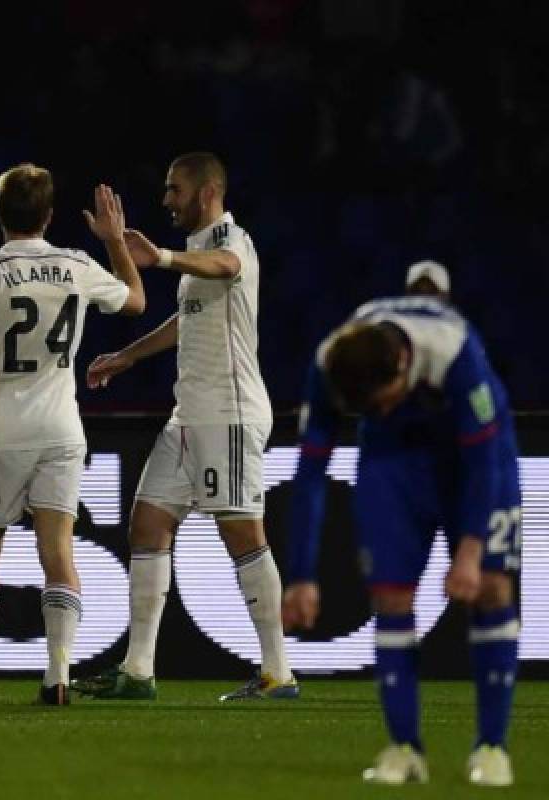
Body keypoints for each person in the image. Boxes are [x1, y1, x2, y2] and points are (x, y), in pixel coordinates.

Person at [73, 152, 296, 702]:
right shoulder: (198, 251)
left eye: (175, 189)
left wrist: (164, 257)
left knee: (242, 533)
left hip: (230, 411)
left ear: (207, 191)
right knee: (147, 525)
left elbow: (229, 267)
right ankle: (139, 671)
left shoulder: (230, 239)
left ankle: (277, 673)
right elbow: (187, 318)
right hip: (189, 415)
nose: (166, 199)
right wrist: (127, 356)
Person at [0, 165, 144, 705]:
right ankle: (58, 675)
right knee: (58, 551)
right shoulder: (75, 264)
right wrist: (116, 242)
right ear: (49, 215)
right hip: (61, 430)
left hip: (0, 430)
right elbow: (136, 300)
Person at [282, 296, 521, 787]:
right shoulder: (330, 364)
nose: (382, 409)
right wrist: (301, 575)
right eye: (370, 408)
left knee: (493, 587)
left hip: (470, 456)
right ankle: (405, 748)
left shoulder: (455, 354)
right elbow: (309, 472)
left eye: (384, 398)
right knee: (390, 596)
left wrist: (471, 554)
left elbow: (485, 464)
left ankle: (492, 749)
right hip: (393, 462)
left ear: (404, 363)